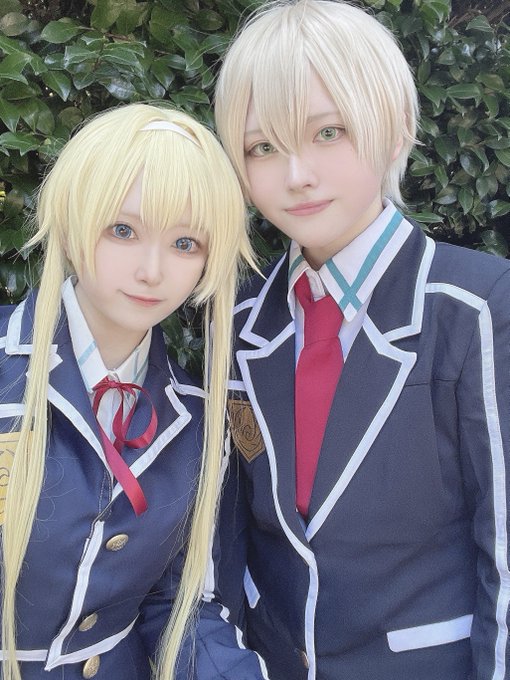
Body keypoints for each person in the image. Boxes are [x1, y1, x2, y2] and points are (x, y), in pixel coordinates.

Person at [200, 1, 510, 678]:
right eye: (262, 147)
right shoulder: (239, 317)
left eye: (328, 132)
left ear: (395, 128)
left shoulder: (477, 308)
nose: (296, 175)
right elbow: (221, 535)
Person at [0, 102, 255, 680]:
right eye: (123, 230)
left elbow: (182, 606)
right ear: (73, 223)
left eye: (185, 243)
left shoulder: (198, 420)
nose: (151, 270)